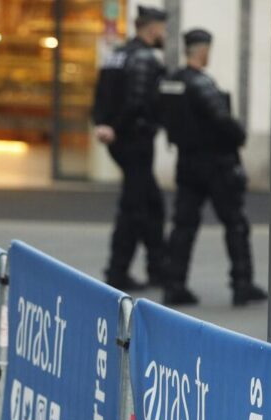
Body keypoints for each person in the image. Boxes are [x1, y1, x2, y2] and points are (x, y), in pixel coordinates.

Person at [160, 29, 268, 307]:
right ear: (203, 50)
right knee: (235, 223)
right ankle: (241, 283)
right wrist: (240, 135)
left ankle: (174, 284)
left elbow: (162, 115)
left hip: (187, 162)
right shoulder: (202, 84)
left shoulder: (173, 82)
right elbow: (222, 120)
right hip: (216, 164)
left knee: (183, 225)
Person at [92, 5, 169, 291]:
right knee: (134, 208)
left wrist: (101, 123)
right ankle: (117, 272)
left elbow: (100, 92)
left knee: (152, 204)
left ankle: (159, 268)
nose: (165, 34)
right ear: (152, 29)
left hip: (119, 141)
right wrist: (116, 127)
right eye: (163, 29)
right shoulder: (145, 58)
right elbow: (136, 103)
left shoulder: (117, 55)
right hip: (135, 140)